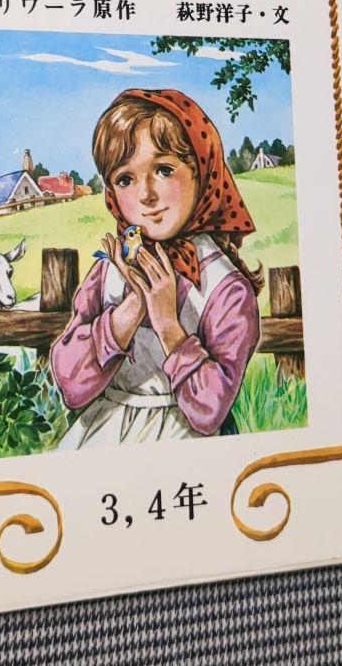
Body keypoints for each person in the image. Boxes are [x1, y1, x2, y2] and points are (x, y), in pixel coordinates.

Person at [51, 88, 262, 447]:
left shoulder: (224, 286)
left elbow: (209, 411)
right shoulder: (111, 271)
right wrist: (133, 305)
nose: (146, 195)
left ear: (203, 172)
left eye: (164, 170)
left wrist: (167, 323)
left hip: (187, 438)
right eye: (125, 179)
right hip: (105, 431)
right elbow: (70, 385)